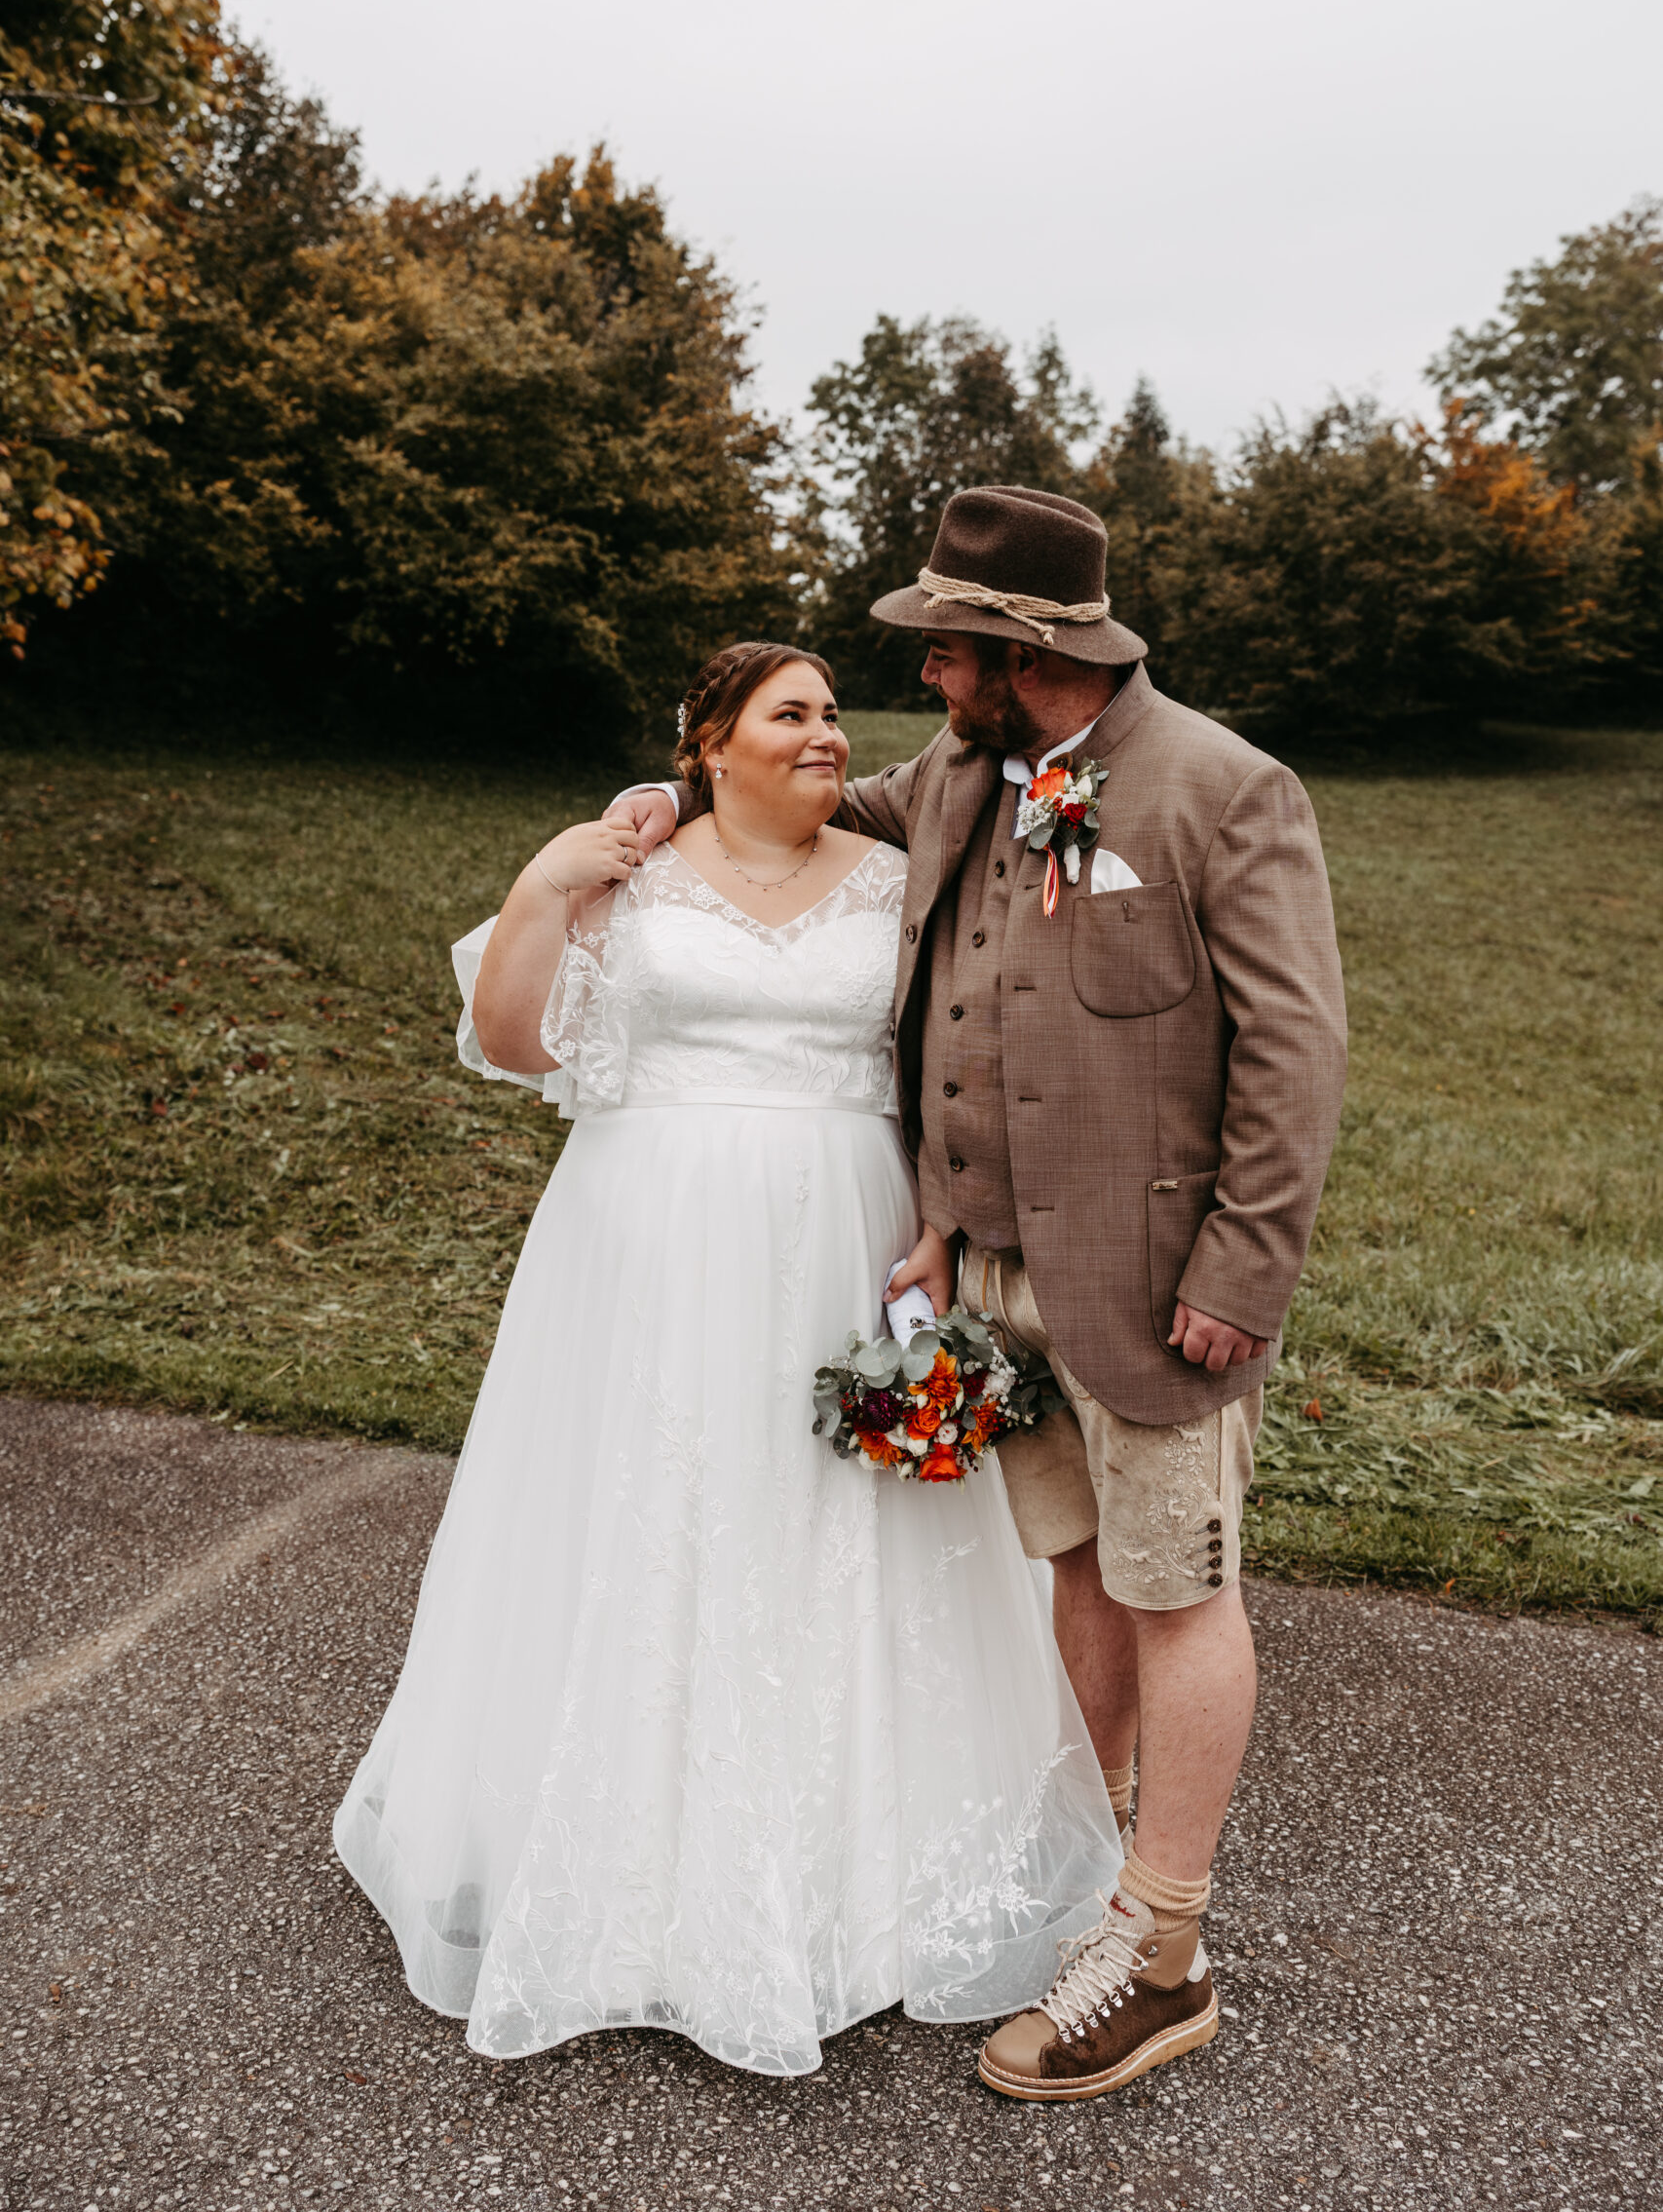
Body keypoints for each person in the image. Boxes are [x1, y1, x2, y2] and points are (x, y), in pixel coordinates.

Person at [608, 485, 1347, 2102]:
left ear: (1023, 650)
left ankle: (1162, 1956)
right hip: (997, 1274)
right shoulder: (951, 776)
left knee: (1178, 1590)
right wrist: (656, 799)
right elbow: (800, 803)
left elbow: (1296, 1056)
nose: (925, 677)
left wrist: (1242, 1270)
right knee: (1075, 1570)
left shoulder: (1226, 790)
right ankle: (1074, 1872)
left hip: (1161, 1287)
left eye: (945, 649)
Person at [333, 638, 1121, 2078]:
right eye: (791, 713)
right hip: (649, 1242)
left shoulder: (897, 882)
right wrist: (546, 884)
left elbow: (951, 1068)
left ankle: (851, 1876)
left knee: (833, 1525)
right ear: (709, 743)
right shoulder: (627, 871)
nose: (827, 734)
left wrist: (942, 1227)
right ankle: (616, 1857)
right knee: (651, 1503)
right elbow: (512, 1042)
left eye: (833, 712)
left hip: (846, 1238)